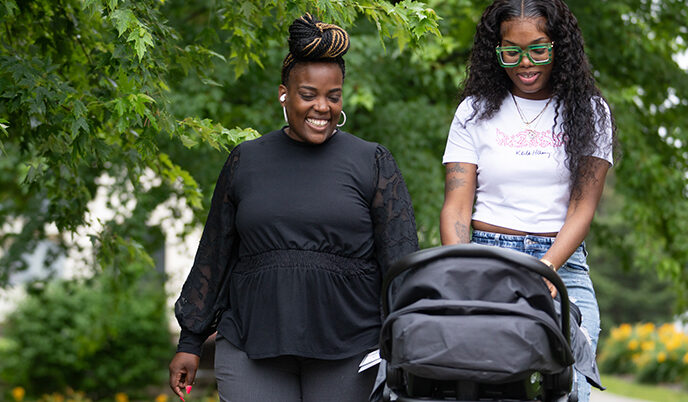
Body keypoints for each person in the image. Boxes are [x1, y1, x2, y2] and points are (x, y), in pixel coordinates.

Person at [168, 13, 418, 402]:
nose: (322, 107)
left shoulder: (372, 162)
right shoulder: (245, 161)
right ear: (283, 93)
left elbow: (400, 260)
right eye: (308, 95)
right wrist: (191, 341)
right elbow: (215, 253)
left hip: (350, 348)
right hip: (253, 343)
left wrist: (406, 338)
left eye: (333, 96)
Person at [439, 0, 615, 401]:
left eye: (538, 49)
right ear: (495, 50)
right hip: (485, 259)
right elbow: (456, 207)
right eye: (511, 51)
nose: (525, 63)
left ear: (559, 47)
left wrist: (547, 268)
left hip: (562, 266)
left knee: (568, 390)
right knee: (485, 389)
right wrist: (462, 269)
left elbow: (582, 208)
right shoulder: (473, 112)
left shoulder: (590, 113)